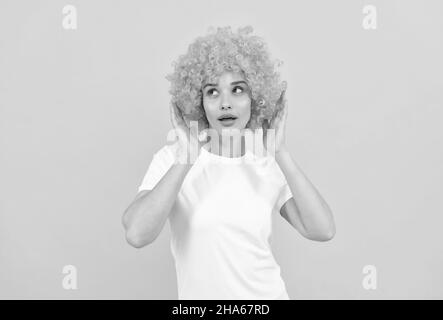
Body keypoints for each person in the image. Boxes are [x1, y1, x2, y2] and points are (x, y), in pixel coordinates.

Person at [122, 26, 336, 300]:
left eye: (238, 90)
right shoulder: (173, 158)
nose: (225, 103)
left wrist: (280, 152)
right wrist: (185, 161)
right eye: (212, 92)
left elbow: (322, 229)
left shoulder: (266, 160)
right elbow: (137, 234)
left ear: (254, 98)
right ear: (199, 102)